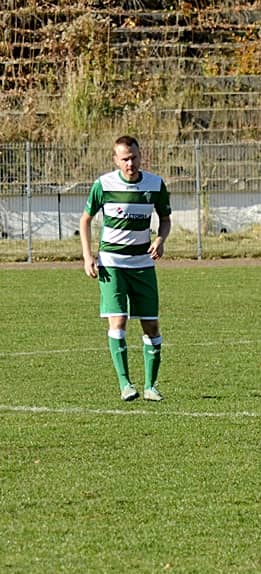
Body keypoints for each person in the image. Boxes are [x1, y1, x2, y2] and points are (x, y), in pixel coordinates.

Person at [79, 136, 171, 402]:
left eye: (134, 157)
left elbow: (165, 219)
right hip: (112, 265)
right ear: (116, 160)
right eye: (125, 159)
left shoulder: (155, 184)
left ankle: (151, 387)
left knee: (151, 325)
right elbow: (85, 220)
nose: (130, 163)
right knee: (117, 321)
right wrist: (87, 256)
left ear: (141, 157)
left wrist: (160, 240)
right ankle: (125, 384)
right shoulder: (103, 185)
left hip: (143, 265)